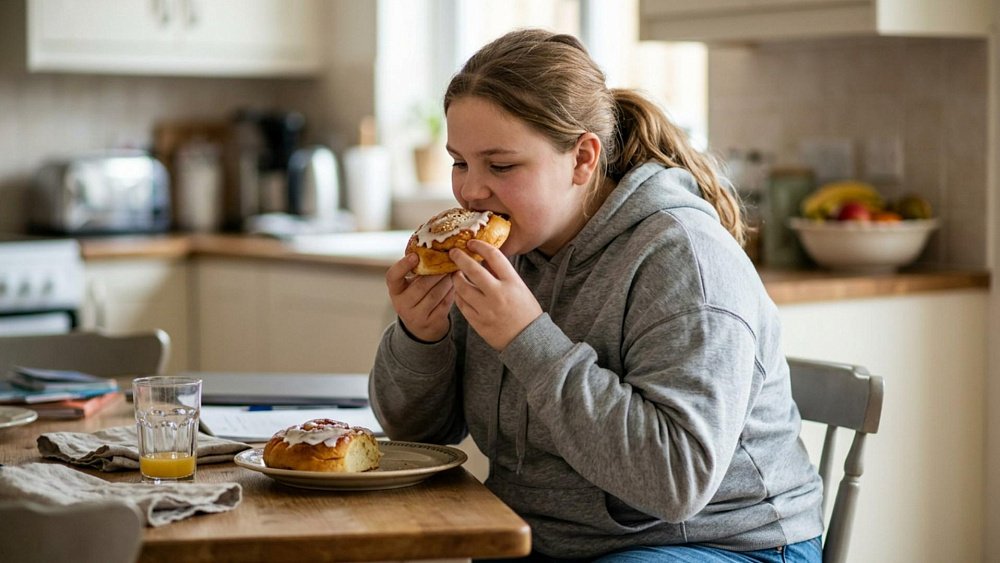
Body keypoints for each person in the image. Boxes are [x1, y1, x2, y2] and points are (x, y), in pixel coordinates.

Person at [369, 28, 823, 563]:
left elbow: (675, 483)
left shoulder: (683, 257)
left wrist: (526, 339)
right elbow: (419, 434)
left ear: (583, 159)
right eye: (460, 162)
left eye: (501, 165)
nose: (470, 191)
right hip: (542, 539)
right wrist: (423, 338)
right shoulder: (503, 251)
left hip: (719, 545)